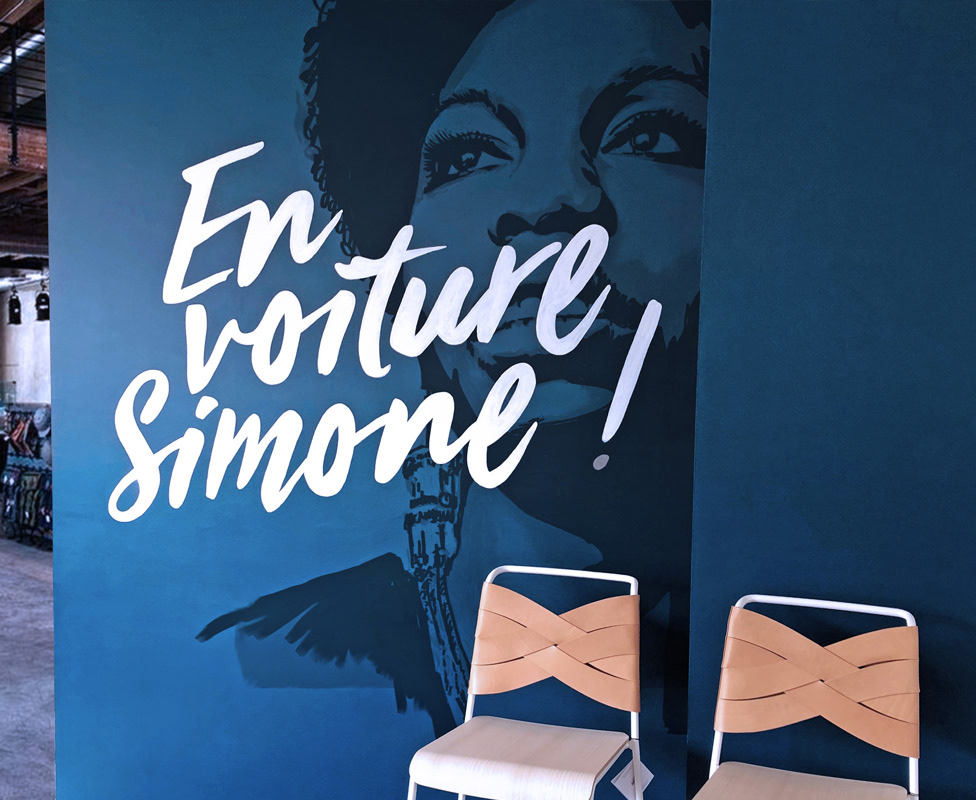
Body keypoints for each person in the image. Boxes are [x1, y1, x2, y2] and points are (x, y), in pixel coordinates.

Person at [200, 0, 709, 753]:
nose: (550, 200)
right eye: (469, 155)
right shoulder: (270, 662)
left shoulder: (766, 653)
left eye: (647, 135)